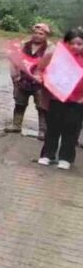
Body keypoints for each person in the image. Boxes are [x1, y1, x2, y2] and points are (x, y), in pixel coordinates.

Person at [35, 27, 83, 169]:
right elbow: (40, 70)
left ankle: (66, 158)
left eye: (80, 44)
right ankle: (47, 155)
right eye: (72, 43)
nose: (75, 46)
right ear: (65, 42)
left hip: (77, 101)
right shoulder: (55, 55)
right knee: (53, 128)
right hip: (56, 98)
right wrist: (41, 79)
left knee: (71, 129)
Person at [4, 23, 52, 138]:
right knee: (19, 104)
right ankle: (16, 125)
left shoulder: (50, 49)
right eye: (35, 33)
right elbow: (15, 62)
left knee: (42, 107)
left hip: (40, 84)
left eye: (41, 33)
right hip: (23, 81)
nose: (37, 35)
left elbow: (53, 67)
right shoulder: (23, 46)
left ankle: (43, 130)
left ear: (46, 35)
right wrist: (15, 78)